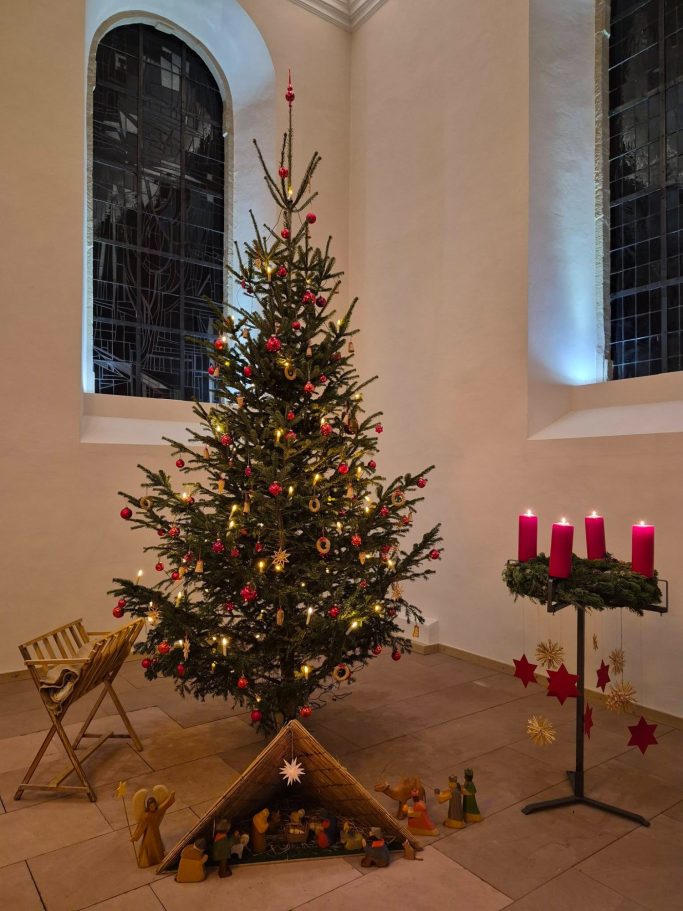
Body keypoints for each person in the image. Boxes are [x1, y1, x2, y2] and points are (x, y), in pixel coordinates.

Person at [131, 791, 176, 867]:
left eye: (154, 806)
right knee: (150, 846)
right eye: (151, 806)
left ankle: (158, 859)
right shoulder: (146, 816)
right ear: (148, 807)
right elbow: (141, 827)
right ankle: (149, 860)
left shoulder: (157, 812)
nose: (153, 807)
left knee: (157, 845)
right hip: (149, 834)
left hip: (156, 832)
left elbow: (164, 806)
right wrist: (135, 837)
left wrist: (170, 798)